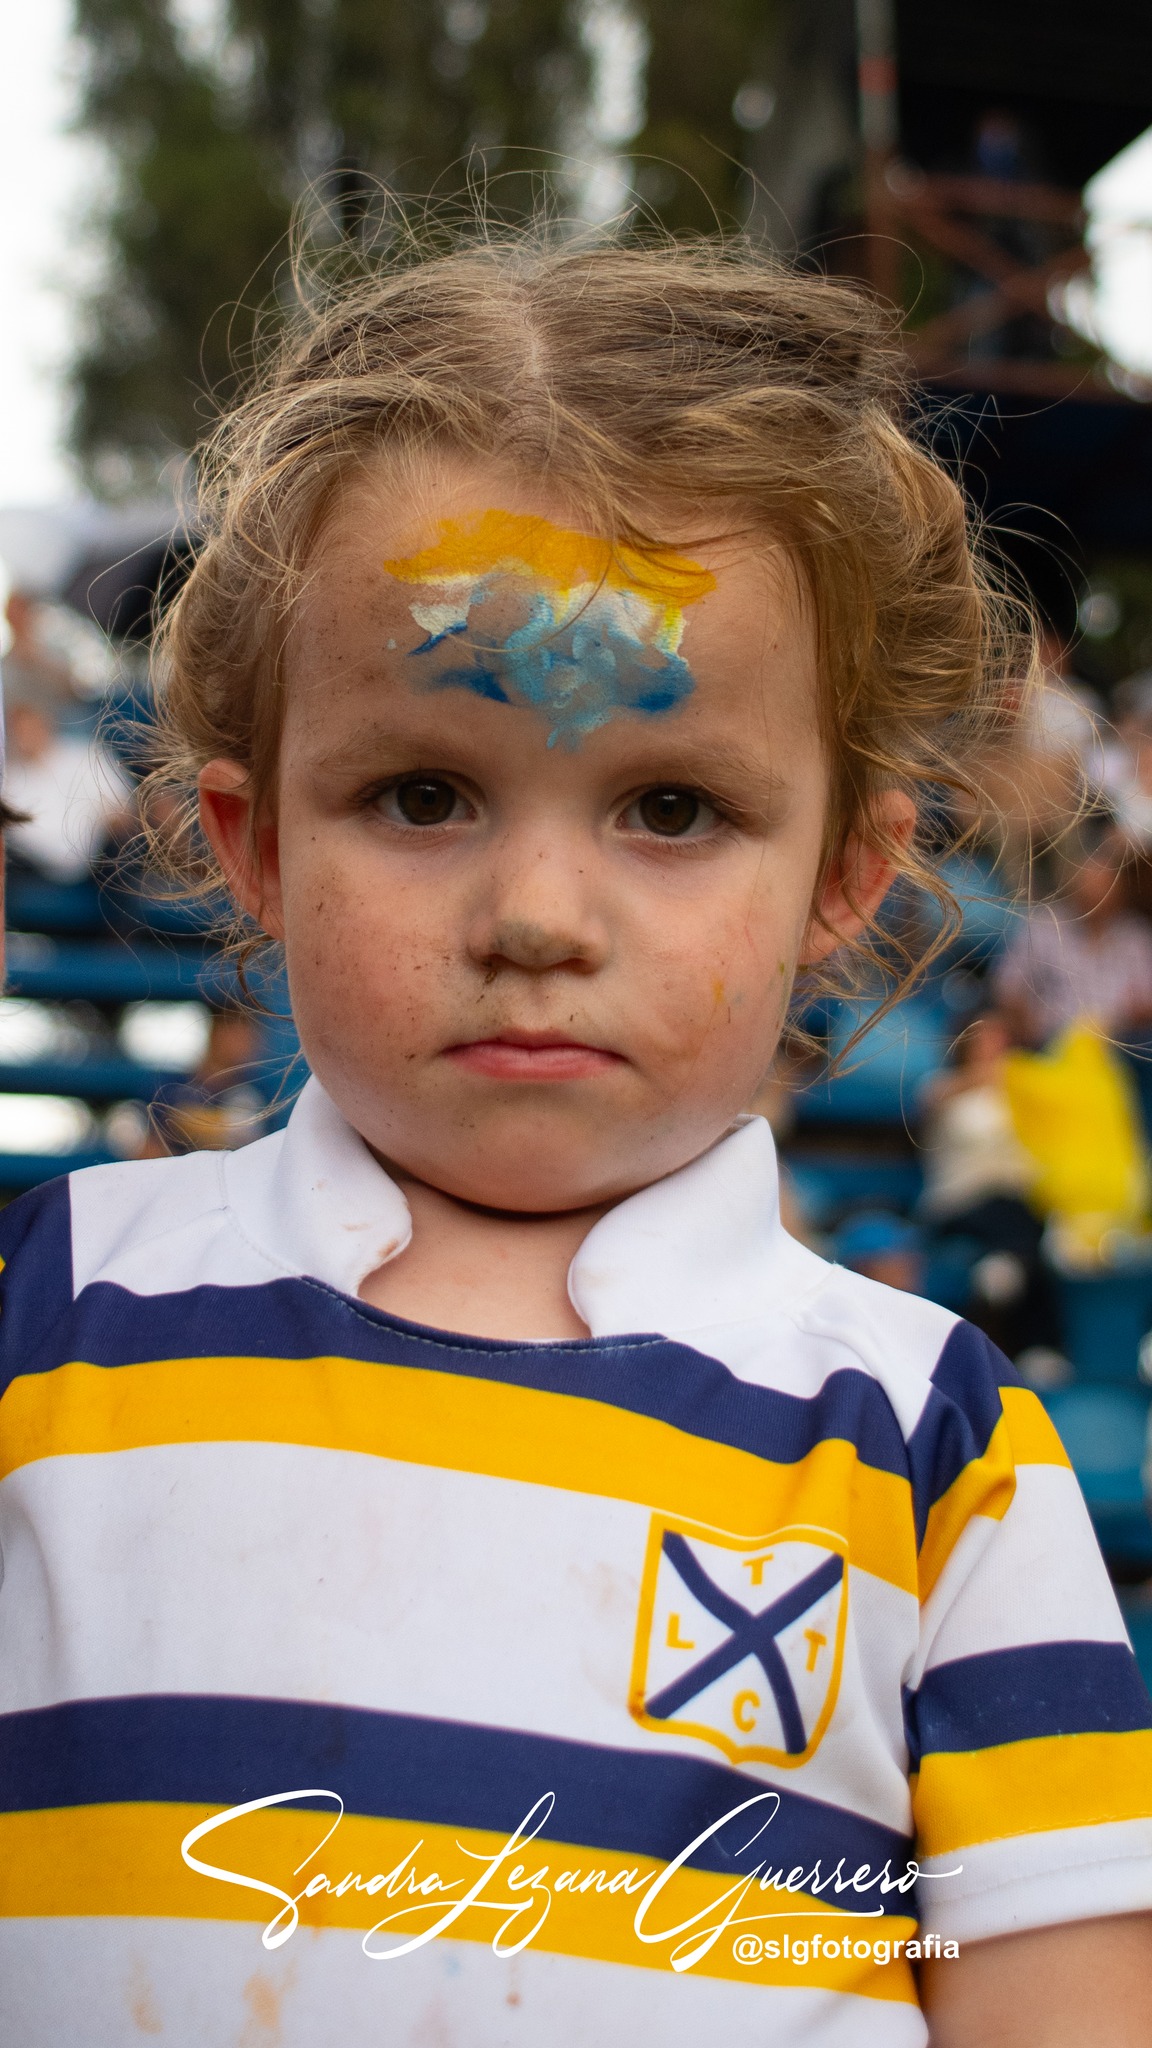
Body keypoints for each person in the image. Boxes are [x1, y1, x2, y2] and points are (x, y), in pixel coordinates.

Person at [0, 238, 1148, 2048]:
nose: (537, 914)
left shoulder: (932, 1451)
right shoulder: (52, 1315)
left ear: (844, 876)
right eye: (424, 793)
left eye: (671, 807)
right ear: (258, 838)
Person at [993, 827, 1152, 1047]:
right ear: (1074, 881)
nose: (1095, 891)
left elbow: (1147, 1000)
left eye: (1104, 883)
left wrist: (1131, 1016)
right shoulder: (1042, 926)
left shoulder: (1135, 935)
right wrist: (1027, 1030)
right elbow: (1008, 988)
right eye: (1088, 880)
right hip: (1052, 1042)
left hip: (1121, 1044)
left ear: (1118, 889)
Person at [2, 699, 133, 884]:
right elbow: (24, 836)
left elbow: (121, 805)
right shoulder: (10, 781)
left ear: (43, 724)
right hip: (39, 870)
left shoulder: (85, 755)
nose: (26, 738)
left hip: (104, 855)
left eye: (29, 728)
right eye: (19, 733)